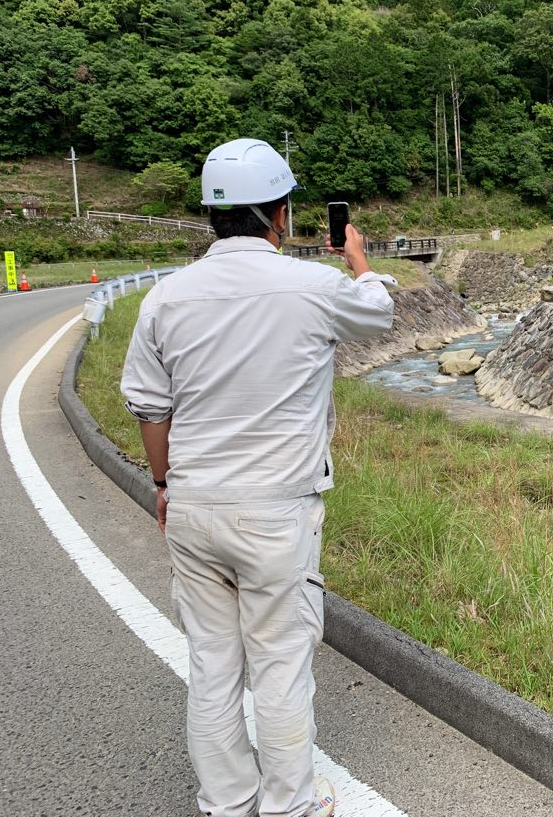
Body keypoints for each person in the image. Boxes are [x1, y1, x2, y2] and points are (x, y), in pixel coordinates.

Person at [121, 138, 396, 817]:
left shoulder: (166, 298)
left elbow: (150, 407)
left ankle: (226, 803)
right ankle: (288, 808)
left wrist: (162, 486)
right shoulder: (314, 286)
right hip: (275, 511)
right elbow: (379, 313)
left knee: (213, 668)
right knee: (278, 667)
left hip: (192, 506)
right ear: (280, 212)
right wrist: (356, 258)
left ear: (212, 215)